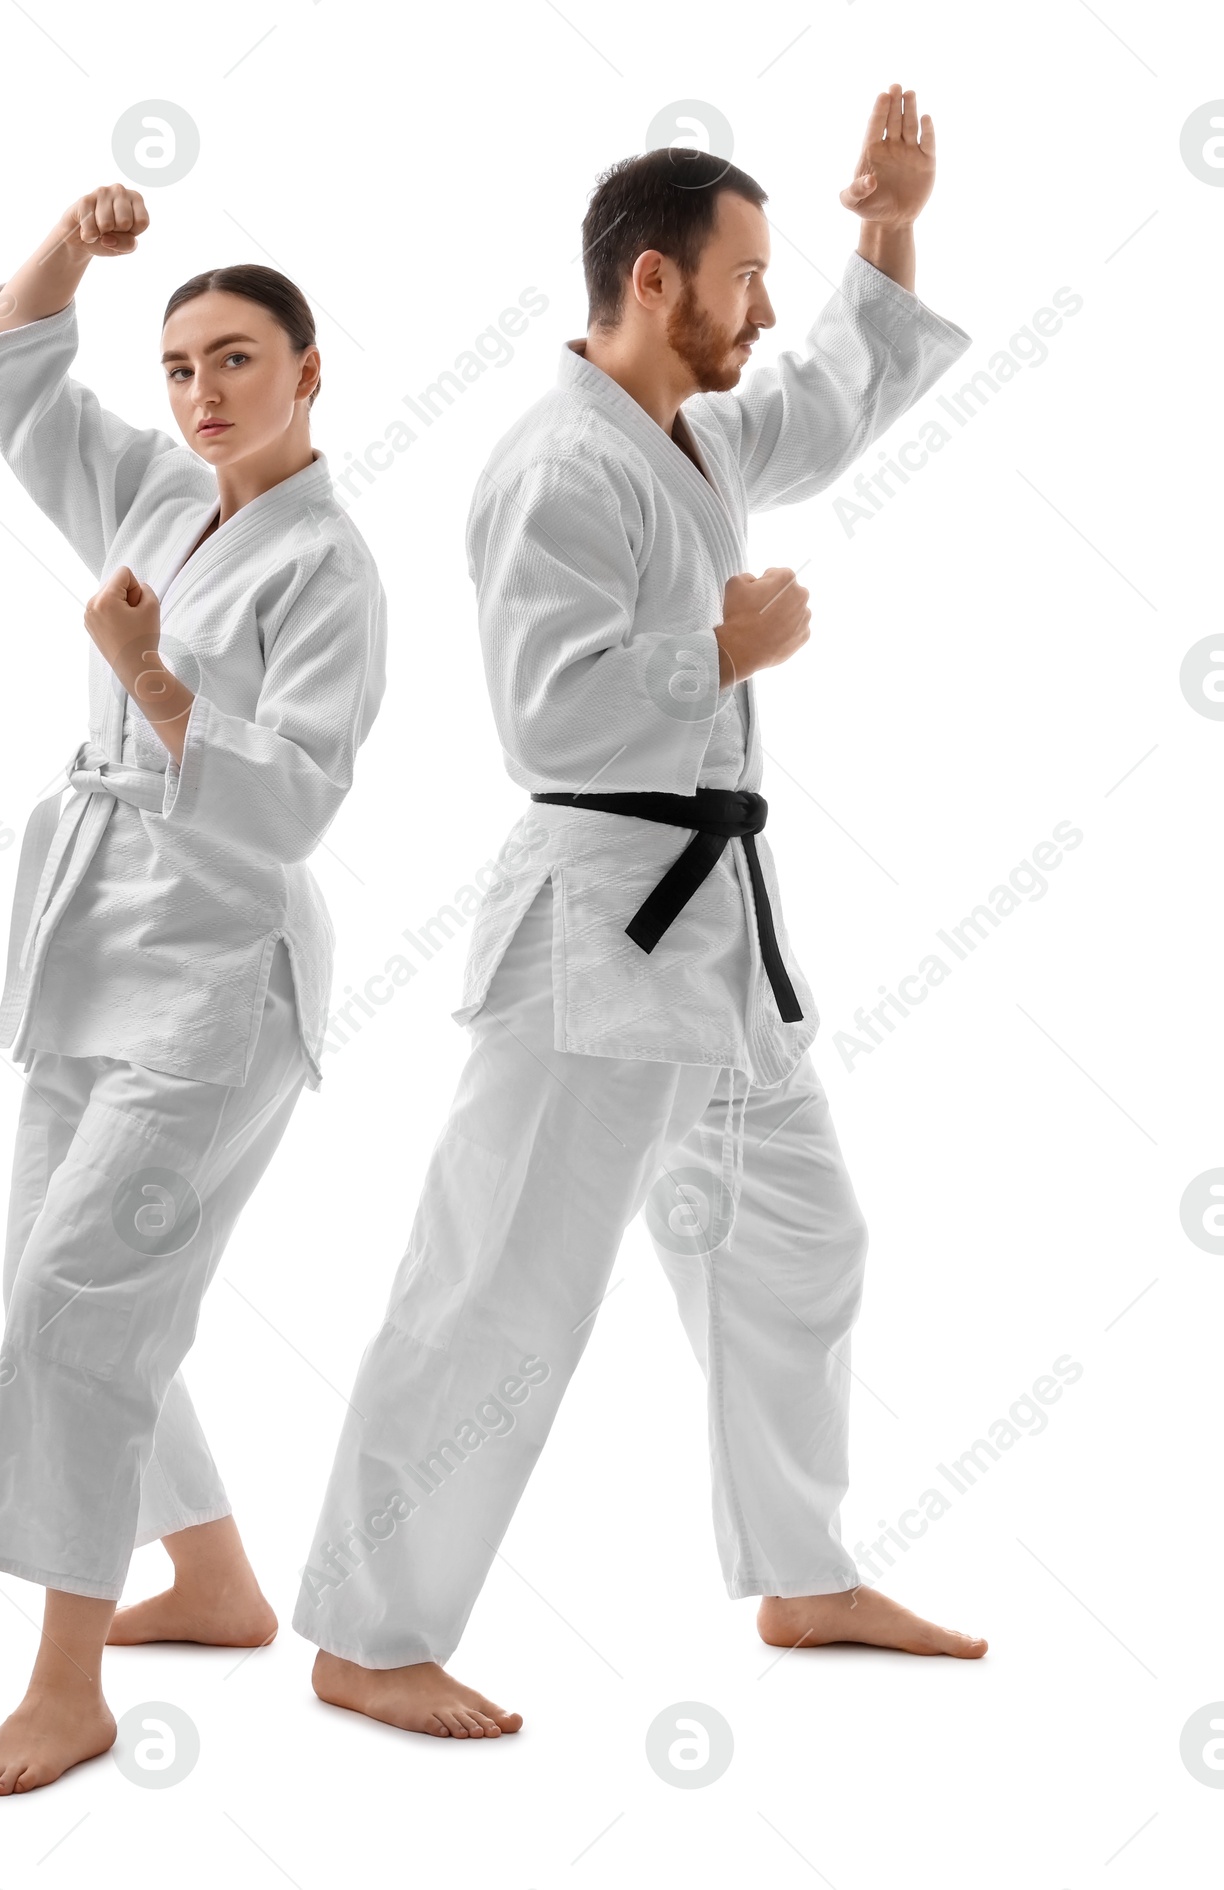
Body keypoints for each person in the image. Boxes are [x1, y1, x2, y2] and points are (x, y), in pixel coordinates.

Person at [293, 85, 985, 1741]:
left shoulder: (690, 428)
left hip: (715, 929)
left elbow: (822, 405)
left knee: (800, 1232)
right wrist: (720, 657)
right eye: (747, 276)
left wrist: (891, 224)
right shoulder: (553, 469)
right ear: (658, 281)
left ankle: (804, 1568)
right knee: (504, 1282)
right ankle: (369, 1632)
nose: (766, 304)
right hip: (597, 931)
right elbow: (545, 718)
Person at [0, 185, 387, 1794]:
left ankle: (64, 1689)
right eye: (183, 363)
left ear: (309, 372)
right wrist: (68, 240)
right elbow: (16, 372)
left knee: (76, 1309)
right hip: (91, 953)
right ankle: (209, 1574)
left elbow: (297, 801)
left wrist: (150, 680)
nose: (203, 393)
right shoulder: (148, 491)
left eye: (239, 360)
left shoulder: (329, 566)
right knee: (52, 1287)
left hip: (215, 985)